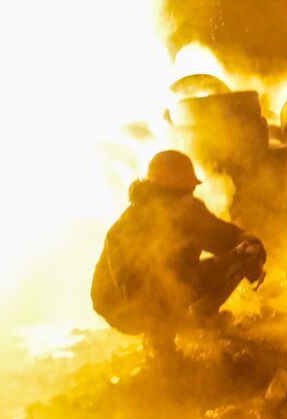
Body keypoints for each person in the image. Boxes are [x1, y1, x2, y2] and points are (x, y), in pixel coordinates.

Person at [92, 150, 266, 359]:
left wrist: (248, 241)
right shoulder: (130, 229)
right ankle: (160, 349)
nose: (189, 197)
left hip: (173, 284)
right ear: (161, 193)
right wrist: (184, 285)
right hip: (123, 306)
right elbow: (139, 291)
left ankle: (201, 319)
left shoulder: (189, 212)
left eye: (190, 190)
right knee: (168, 289)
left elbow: (220, 236)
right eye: (182, 192)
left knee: (241, 257)